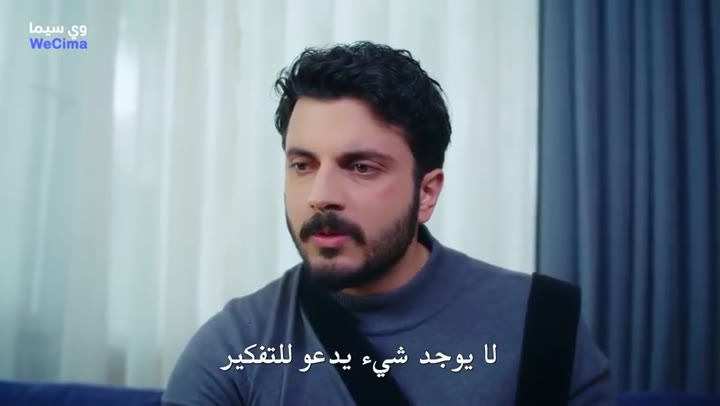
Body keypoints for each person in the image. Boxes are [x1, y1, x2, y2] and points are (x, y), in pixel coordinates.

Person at [162, 41, 615, 405]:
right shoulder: (235, 346)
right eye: (303, 165)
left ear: (427, 193)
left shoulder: (546, 323)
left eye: (361, 167)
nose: (320, 195)